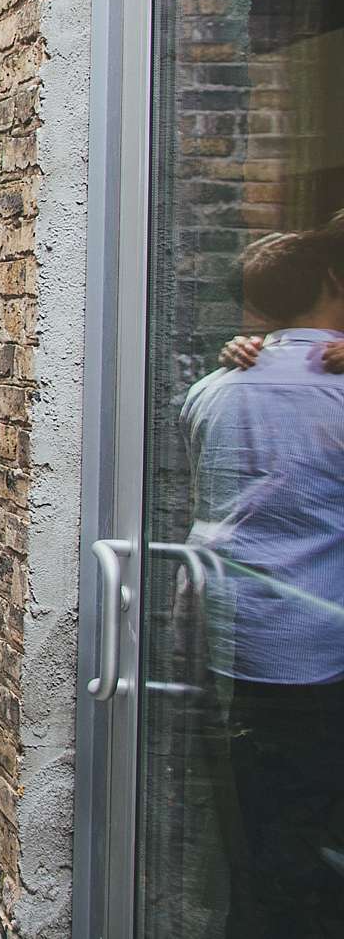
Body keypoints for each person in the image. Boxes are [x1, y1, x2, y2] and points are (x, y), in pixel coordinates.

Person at [183, 224, 344, 938]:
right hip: (317, 650)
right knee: (302, 841)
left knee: (257, 829)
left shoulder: (212, 392)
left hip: (234, 638)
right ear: (333, 283)